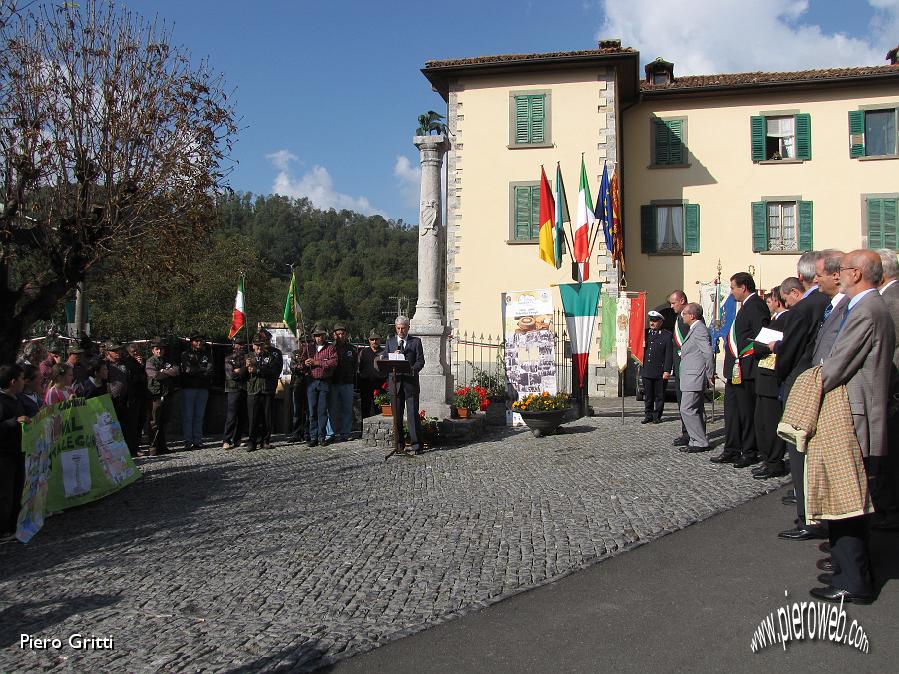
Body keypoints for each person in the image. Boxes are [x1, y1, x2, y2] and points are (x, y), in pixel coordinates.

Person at [812, 250, 895, 604]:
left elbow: (837, 364)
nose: (837, 274)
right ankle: (851, 572)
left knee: (846, 503)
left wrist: (808, 386)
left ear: (857, 273)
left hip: (854, 415)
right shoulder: (869, 307)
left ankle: (854, 580)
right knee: (850, 502)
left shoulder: (866, 310)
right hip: (858, 411)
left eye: (843, 269)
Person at [712, 272, 769, 467]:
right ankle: (732, 448)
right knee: (732, 412)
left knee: (746, 413)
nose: (732, 291)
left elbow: (760, 337)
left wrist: (744, 356)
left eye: (733, 287)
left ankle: (749, 451)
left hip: (746, 369)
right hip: (735, 370)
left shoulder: (756, 306)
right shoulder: (744, 307)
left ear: (743, 287)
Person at [750, 286, 791, 479]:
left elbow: (761, 348)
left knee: (771, 421)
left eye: (770, 300)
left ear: (777, 301)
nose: (768, 303)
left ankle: (774, 462)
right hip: (764, 376)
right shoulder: (775, 320)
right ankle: (768, 459)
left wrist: (760, 346)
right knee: (762, 422)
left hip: (772, 378)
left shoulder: (784, 321)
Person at [385, 315, 425, 455]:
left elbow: (420, 361)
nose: (401, 331)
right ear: (395, 328)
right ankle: (399, 445)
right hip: (395, 384)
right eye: (398, 328)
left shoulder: (415, 342)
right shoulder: (390, 342)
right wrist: (391, 357)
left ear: (408, 328)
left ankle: (416, 445)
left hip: (410, 384)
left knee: (413, 415)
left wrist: (411, 369)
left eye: (403, 328)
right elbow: (383, 359)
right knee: (397, 416)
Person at [677, 303, 714, 452]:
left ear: (692, 316)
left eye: (684, 314)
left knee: (687, 409)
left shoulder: (699, 329)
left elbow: (708, 353)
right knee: (697, 409)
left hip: (694, 376)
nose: (682, 316)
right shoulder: (695, 329)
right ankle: (695, 439)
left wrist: (710, 373)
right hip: (691, 375)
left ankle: (699, 441)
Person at [1, 364, 29, 539]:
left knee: (18, 489)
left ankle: (13, 525)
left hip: (18, 451)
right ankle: (3, 528)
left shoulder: (17, 399)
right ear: (13, 382)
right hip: (4, 455)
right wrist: (14, 422)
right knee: (5, 492)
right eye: (21, 379)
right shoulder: (1, 402)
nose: (23, 382)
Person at [245, 334, 283, 452]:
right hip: (253, 390)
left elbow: (274, 371)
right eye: (257, 345)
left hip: (267, 390)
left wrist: (257, 369)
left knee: (267, 417)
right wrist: (244, 368)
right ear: (253, 345)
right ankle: (252, 441)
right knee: (253, 418)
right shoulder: (248, 357)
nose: (259, 347)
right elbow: (240, 374)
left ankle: (265, 440)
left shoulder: (271, 357)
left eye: (261, 345)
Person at [302, 325, 337, 447]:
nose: (319, 338)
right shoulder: (308, 348)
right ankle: (313, 437)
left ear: (324, 336)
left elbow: (333, 362)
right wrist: (305, 363)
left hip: (324, 381)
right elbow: (300, 363)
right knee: (312, 411)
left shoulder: (330, 348)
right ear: (313, 337)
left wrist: (317, 362)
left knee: (322, 411)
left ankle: (322, 436)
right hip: (311, 381)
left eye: (321, 335)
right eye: (316, 336)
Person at [145, 338, 179, 456]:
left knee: (165, 421)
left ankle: (162, 446)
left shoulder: (168, 360)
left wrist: (163, 371)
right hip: (155, 396)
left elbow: (176, 371)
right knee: (154, 422)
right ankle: (153, 447)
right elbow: (154, 375)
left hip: (167, 394)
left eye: (161, 349)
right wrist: (166, 372)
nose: (159, 351)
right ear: (153, 350)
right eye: (157, 349)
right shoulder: (150, 361)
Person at [180, 333, 212, 451]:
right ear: (191, 342)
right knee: (188, 416)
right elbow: (187, 370)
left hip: (203, 388)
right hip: (189, 387)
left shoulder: (207, 354)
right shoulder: (185, 354)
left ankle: (198, 440)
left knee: (199, 415)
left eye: (201, 341)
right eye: (196, 341)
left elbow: (210, 369)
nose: (199, 343)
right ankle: (188, 440)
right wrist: (201, 370)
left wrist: (196, 370)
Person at [667, 290, 691, 446]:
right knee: (682, 402)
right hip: (680, 367)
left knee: (690, 404)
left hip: (688, 367)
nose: (671, 306)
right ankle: (686, 432)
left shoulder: (691, 317)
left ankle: (693, 433)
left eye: (673, 303)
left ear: (682, 301)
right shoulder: (678, 318)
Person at [641, 310, 673, 424]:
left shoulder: (666, 335)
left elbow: (669, 355)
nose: (652, 323)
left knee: (659, 395)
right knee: (648, 395)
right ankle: (648, 414)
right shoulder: (645, 334)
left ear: (660, 322)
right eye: (651, 320)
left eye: (655, 321)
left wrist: (667, 370)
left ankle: (657, 415)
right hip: (647, 370)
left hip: (659, 371)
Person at [105, 342, 136, 455]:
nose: (118, 353)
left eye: (119, 350)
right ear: (108, 352)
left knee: (126, 426)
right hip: (112, 400)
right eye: (115, 351)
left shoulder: (124, 363)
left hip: (125, 399)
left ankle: (128, 450)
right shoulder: (106, 365)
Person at [329, 323, 358, 442]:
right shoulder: (330, 348)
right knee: (332, 409)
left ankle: (345, 433)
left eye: (342, 334)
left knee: (347, 409)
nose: (340, 336)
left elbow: (355, 365)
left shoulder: (352, 348)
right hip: (333, 382)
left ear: (346, 335)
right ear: (334, 335)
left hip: (347, 382)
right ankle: (330, 433)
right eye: (338, 334)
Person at [222, 339, 248, 449]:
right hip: (232, 389)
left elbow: (248, 373)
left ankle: (237, 439)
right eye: (238, 344)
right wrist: (244, 369)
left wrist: (240, 370)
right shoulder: (229, 359)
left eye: (242, 344)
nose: (240, 346)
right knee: (231, 416)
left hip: (244, 389)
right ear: (234, 345)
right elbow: (232, 375)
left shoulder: (247, 358)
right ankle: (226, 440)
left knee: (242, 416)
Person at [287, 333, 313, 442]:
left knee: (309, 410)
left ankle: (308, 433)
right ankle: (296, 433)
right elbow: (293, 367)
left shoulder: (313, 353)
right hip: (297, 384)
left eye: (308, 342)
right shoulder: (295, 353)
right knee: (297, 411)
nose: (305, 344)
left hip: (309, 383)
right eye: (303, 342)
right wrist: (303, 364)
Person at [125, 342, 149, 451]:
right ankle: (133, 448)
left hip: (142, 394)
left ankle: (137, 445)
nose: (136, 353)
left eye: (137, 351)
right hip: (133, 395)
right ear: (129, 352)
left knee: (141, 421)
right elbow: (131, 378)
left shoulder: (142, 361)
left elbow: (146, 375)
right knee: (133, 423)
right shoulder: (127, 362)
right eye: (133, 351)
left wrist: (141, 365)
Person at [358, 329, 386, 418]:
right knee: (365, 408)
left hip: (380, 385)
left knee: (379, 409)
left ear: (380, 340)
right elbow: (358, 368)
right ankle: (363, 429)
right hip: (365, 384)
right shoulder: (363, 352)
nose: (374, 341)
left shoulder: (384, 353)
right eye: (372, 339)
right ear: (369, 340)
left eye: (376, 339)